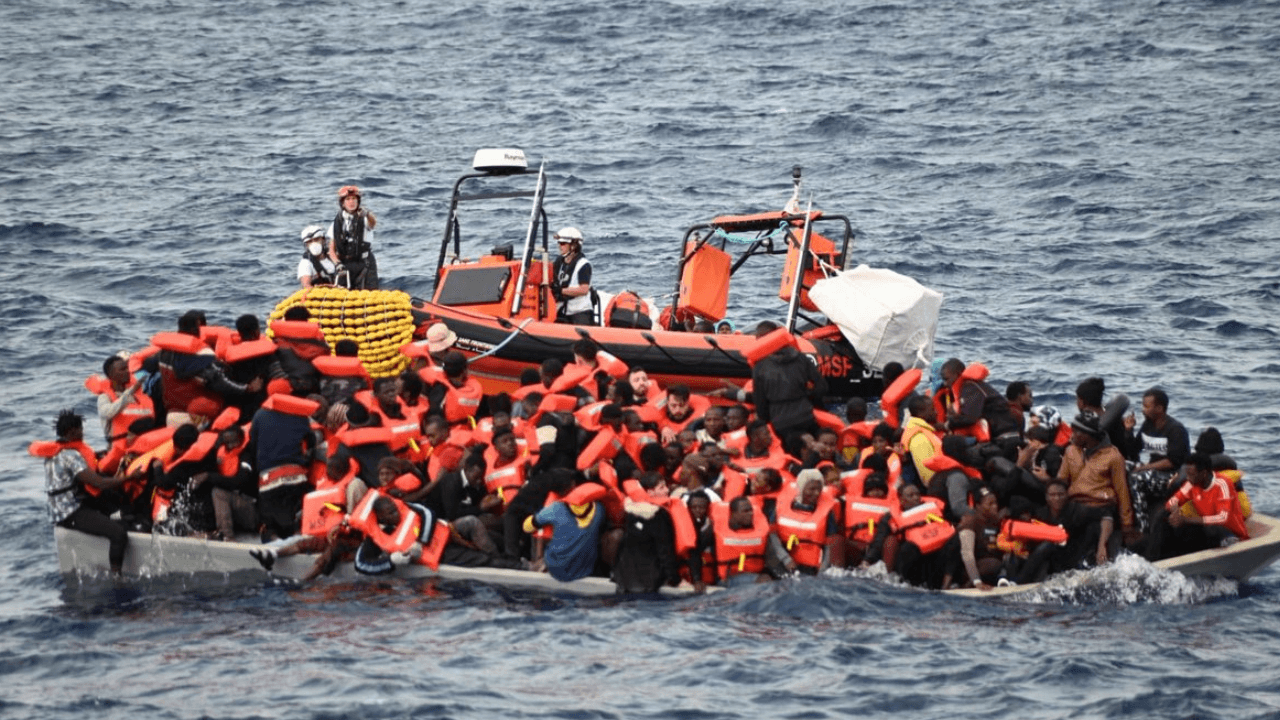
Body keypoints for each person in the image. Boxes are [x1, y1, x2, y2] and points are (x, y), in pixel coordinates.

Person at [39, 410, 132, 573]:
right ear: (71, 432)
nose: (82, 432)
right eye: (80, 429)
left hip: (58, 509)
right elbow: (100, 483)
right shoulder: (70, 455)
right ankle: (117, 577)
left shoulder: (54, 452)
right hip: (69, 513)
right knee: (119, 534)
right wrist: (129, 477)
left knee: (114, 510)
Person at [1057, 411, 1140, 551]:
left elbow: (1122, 492)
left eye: (1076, 431)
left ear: (1087, 435)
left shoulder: (1113, 456)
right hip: (1075, 506)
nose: (1072, 434)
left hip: (1100, 506)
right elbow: (1061, 482)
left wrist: (1127, 525)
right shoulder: (1070, 451)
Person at [1145, 453, 1249, 560]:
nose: (1188, 478)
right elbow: (1172, 501)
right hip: (1203, 527)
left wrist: (1185, 520)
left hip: (1226, 531)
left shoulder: (1222, 484)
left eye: (1191, 474)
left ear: (1203, 473)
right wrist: (1175, 511)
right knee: (1164, 515)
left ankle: (1216, 558)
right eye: (1187, 474)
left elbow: (1222, 518)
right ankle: (1153, 560)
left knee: (1211, 530)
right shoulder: (1191, 483)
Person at [749, 320, 827, 447]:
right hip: (805, 416)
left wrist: (767, 423)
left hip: (780, 422)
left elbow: (761, 404)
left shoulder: (760, 366)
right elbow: (822, 388)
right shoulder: (801, 358)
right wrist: (805, 397)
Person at [1124, 387, 1191, 531]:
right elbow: (1134, 450)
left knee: (1137, 478)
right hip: (1152, 470)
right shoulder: (1147, 426)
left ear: (1159, 408)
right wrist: (1129, 431)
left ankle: (1142, 526)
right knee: (1122, 465)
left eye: (1147, 406)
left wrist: (1144, 468)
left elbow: (1172, 461)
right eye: (1143, 406)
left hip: (1171, 477)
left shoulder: (1176, 429)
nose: (1143, 410)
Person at [327, 185, 378, 290]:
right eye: (348, 199)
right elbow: (331, 249)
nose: (351, 202)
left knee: (371, 294)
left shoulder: (365, 219)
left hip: (365, 263)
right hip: (344, 264)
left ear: (358, 201)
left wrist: (367, 214)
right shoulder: (336, 224)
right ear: (342, 203)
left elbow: (372, 223)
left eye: (354, 199)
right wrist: (337, 264)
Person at [551, 226, 596, 325]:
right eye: (559, 243)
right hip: (563, 310)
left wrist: (561, 290)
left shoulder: (584, 265)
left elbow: (583, 290)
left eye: (562, 243)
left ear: (574, 246)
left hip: (580, 311)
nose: (559, 246)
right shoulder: (559, 262)